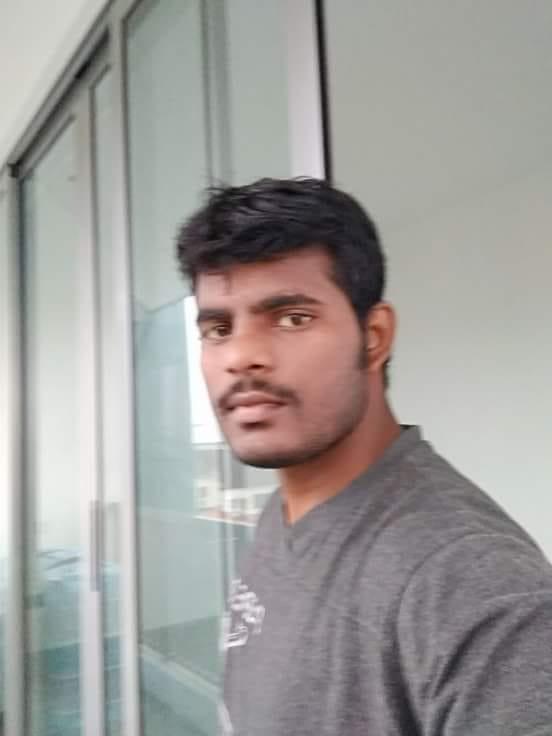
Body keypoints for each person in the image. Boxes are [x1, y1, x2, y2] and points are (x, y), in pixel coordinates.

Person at [176, 177, 552, 736]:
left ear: (374, 337)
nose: (242, 355)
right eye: (218, 328)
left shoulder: (471, 580)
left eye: (292, 317)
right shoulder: (285, 509)